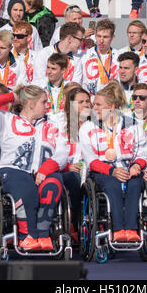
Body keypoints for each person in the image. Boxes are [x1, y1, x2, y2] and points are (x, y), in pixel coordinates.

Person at [0, 85, 68, 251]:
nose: (47, 105)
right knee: (27, 190)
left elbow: (62, 153)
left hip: (42, 172)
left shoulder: (51, 126)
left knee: (54, 185)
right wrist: (14, 96)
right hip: (13, 171)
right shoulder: (6, 120)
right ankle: (28, 236)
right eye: (43, 102)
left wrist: (45, 169)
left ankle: (43, 236)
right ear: (30, 104)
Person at [79, 81, 147, 242]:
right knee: (112, 184)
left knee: (136, 184)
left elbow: (143, 152)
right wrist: (112, 171)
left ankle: (131, 229)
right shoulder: (88, 127)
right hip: (103, 172)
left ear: (111, 107)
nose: (93, 108)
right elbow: (91, 160)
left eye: (98, 104)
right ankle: (117, 229)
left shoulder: (133, 125)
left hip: (128, 169)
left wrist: (137, 165)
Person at [62, 87, 92, 241]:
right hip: (69, 169)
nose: (86, 105)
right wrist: (66, 166)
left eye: (88, 101)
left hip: (90, 169)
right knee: (73, 178)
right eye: (81, 102)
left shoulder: (98, 123)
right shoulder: (61, 125)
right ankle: (73, 224)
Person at [81, 18, 120, 96]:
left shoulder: (119, 57)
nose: (101, 40)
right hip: (89, 102)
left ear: (112, 38)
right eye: (99, 36)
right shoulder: (84, 55)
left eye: (105, 37)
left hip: (110, 101)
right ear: (95, 36)